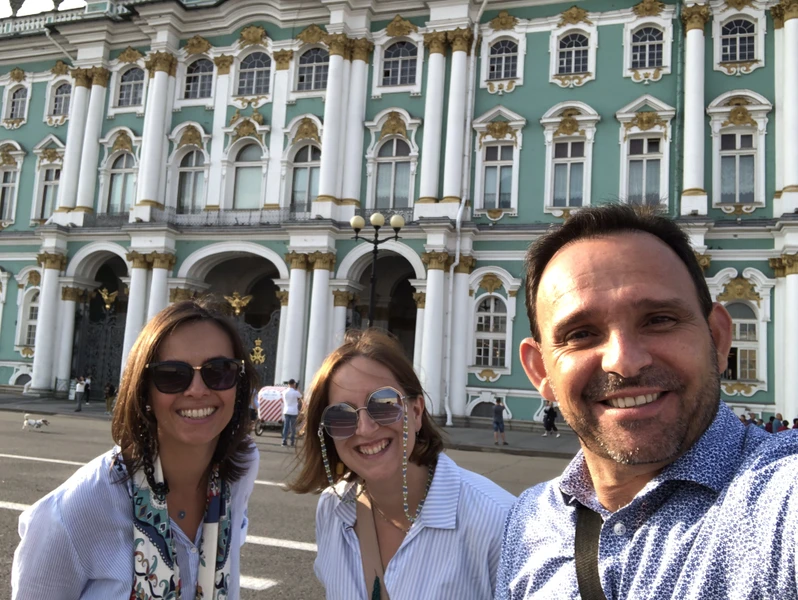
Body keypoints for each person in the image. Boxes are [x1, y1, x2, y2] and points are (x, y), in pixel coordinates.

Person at [496, 205, 798, 599]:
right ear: (540, 371)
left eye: (659, 320)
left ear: (718, 339)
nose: (624, 362)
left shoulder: (781, 496)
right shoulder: (530, 520)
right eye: (581, 334)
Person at [12, 299, 259, 599]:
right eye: (172, 374)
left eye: (219, 371)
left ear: (239, 384)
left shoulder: (239, 470)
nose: (197, 390)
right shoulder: (76, 511)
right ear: (144, 390)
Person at [289, 328, 515, 599]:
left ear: (416, 412)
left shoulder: (499, 521)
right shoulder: (332, 509)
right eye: (341, 415)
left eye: (384, 403)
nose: (365, 428)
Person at [281, 378, 301, 447]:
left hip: (286, 410)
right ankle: (292, 441)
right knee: (293, 427)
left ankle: (284, 440)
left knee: (286, 426)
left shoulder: (284, 392)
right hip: (293, 411)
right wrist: (298, 389)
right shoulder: (295, 392)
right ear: (293, 384)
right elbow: (300, 396)